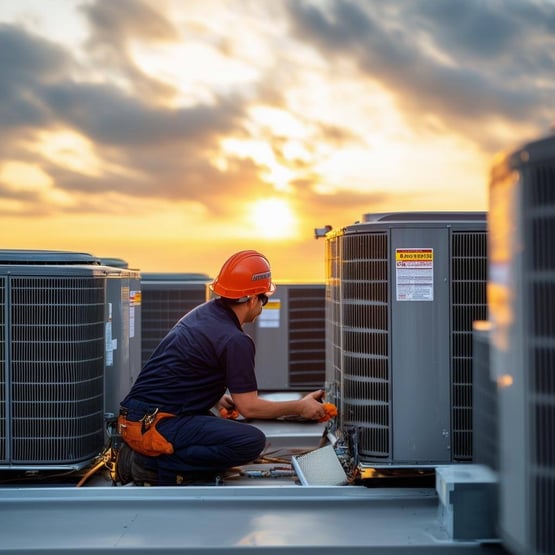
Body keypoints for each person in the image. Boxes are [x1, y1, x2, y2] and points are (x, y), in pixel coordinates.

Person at [116, 249, 326, 485]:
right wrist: (300, 407)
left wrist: (216, 399)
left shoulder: (201, 315)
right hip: (155, 426)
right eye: (264, 298)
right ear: (253, 298)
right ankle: (148, 465)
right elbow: (250, 408)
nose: (263, 306)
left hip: (134, 419)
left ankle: (151, 459)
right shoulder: (235, 340)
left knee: (222, 428)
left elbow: (181, 369)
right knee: (250, 442)